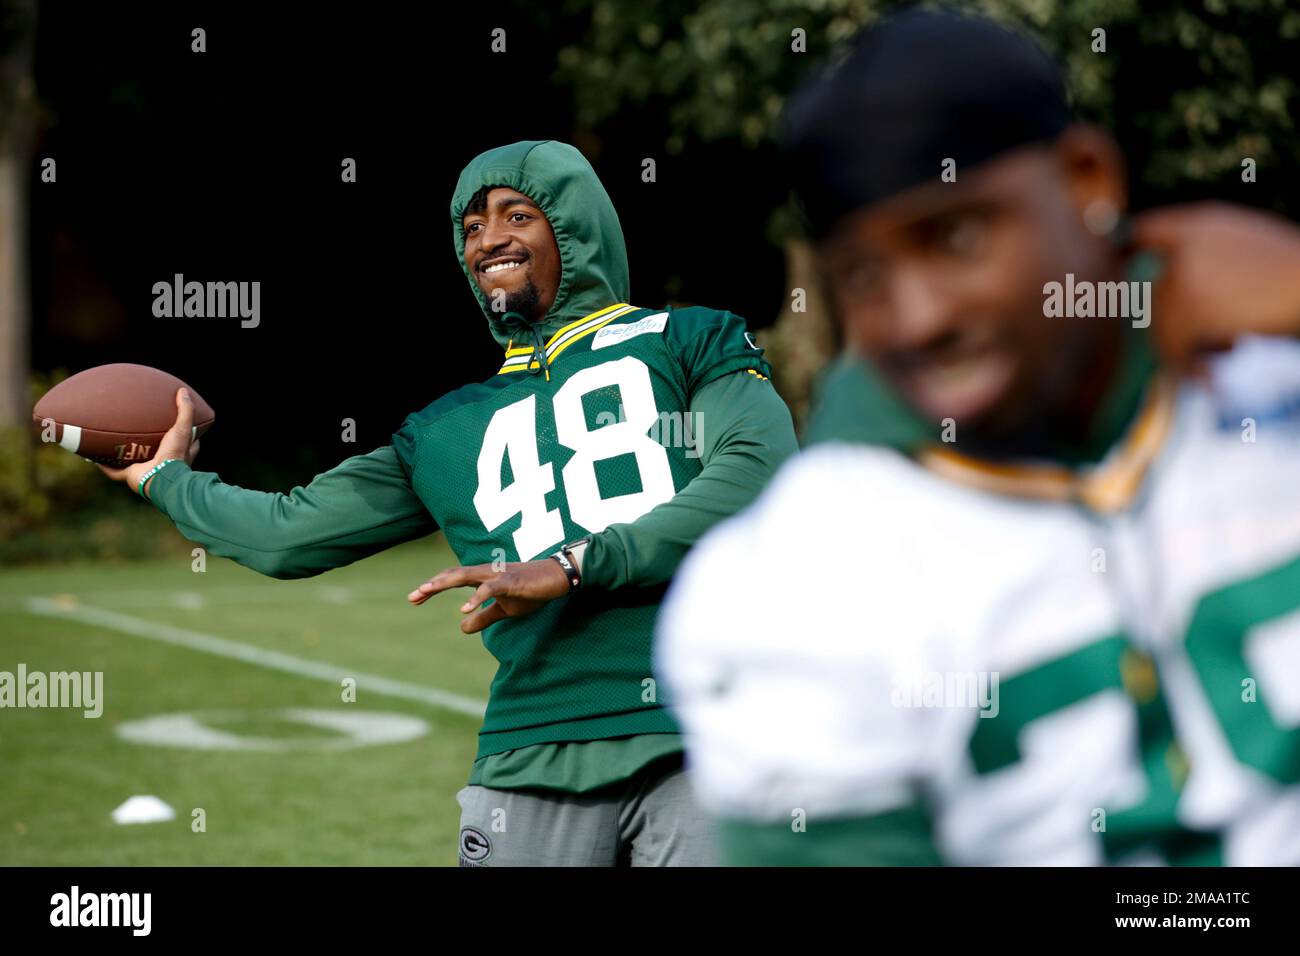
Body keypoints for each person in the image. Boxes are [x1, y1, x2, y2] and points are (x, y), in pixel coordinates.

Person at [655, 10, 1300, 865]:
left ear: (1084, 177)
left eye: (955, 235)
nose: (919, 319)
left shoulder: (1265, 370)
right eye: (864, 274)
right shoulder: (795, 583)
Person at [99, 139, 798, 866]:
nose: (488, 238)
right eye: (471, 228)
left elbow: (757, 475)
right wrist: (164, 478)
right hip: (531, 751)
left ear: (577, 226)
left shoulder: (691, 338)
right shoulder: (439, 430)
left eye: (516, 214)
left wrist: (572, 565)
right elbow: (287, 533)